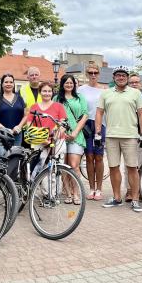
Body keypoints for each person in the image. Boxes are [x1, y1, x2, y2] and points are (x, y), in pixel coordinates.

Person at [96, 66, 142, 213]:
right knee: (113, 167)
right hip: (111, 135)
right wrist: (98, 132)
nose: (121, 77)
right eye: (118, 75)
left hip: (130, 135)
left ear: (127, 78)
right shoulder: (105, 93)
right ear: (114, 77)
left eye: (123, 75)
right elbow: (99, 113)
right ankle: (117, 198)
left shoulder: (135, 93)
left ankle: (135, 199)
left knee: (132, 168)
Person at [25, 82, 67, 198]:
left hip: (56, 141)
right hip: (39, 141)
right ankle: (46, 194)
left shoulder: (59, 106)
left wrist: (53, 138)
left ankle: (54, 195)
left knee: (55, 168)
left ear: (52, 92)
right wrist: (43, 139)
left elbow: (63, 124)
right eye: (44, 91)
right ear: (40, 92)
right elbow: (29, 125)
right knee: (41, 168)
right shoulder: (34, 107)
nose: (47, 93)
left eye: (49, 91)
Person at [54, 74, 88, 204]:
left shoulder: (80, 98)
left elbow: (84, 115)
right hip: (61, 135)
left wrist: (74, 132)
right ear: (62, 84)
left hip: (76, 135)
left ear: (74, 84)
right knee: (63, 166)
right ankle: (67, 193)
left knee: (74, 165)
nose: (69, 85)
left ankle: (76, 193)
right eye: (66, 83)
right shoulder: (57, 98)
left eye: (71, 83)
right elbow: (54, 116)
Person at [77, 63, 106, 200]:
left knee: (99, 156)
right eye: (90, 73)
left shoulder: (104, 90)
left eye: (95, 72)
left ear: (99, 74)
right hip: (87, 124)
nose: (93, 75)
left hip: (101, 124)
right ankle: (91, 188)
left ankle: (99, 188)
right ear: (87, 74)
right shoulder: (81, 90)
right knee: (89, 156)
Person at [122, 73, 142, 202]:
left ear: (140, 83)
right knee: (129, 165)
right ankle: (129, 191)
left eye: (136, 82)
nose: (134, 84)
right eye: (131, 82)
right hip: (129, 135)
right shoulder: (125, 98)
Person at [0, 74, 27, 157]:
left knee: (15, 158)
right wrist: (4, 129)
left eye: (11, 82)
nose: (8, 84)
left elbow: (25, 115)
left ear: (14, 84)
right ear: (2, 84)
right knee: (3, 158)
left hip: (17, 134)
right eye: (6, 82)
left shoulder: (19, 98)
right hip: (1, 135)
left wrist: (19, 126)